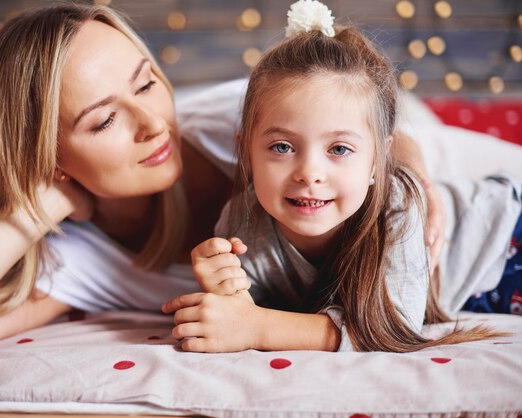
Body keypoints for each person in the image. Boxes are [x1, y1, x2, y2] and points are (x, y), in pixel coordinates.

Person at [0, 3, 444, 368]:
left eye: (147, 82)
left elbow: (380, 115)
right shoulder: (78, 261)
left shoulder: (249, 120)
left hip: (453, 174)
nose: (155, 122)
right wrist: (35, 205)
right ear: (48, 156)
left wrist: (413, 174)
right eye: (104, 120)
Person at [162, 0, 521, 353]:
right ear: (246, 153)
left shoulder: (397, 204)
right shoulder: (241, 224)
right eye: (283, 147)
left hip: (503, 242)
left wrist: (257, 329)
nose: (310, 173)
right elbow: (244, 312)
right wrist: (225, 288)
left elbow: (392, 326)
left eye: (339, 149)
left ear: (376, 161)